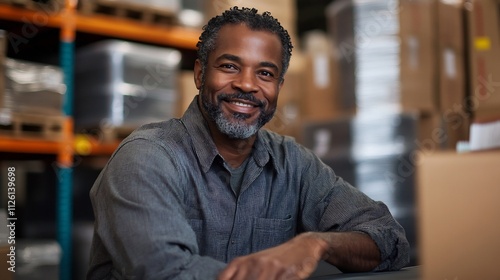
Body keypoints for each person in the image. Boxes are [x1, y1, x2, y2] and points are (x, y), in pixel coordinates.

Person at [87, 7, 410, 280]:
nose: (246, 85)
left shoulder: (293, 164)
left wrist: (316, 244)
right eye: (230, 66)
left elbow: (389, 239)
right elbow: (166, 272)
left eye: (265, 73)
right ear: (200, 74)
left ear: (279, 86)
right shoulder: (146, 158)